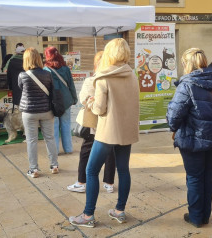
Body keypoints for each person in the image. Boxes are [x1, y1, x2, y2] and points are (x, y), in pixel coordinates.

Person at [68, 38, 140, 228]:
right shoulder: (132, 75)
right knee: (123, 170)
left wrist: (89, 101)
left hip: (108, 131)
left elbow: (99, 109)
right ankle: (119, 211)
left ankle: (88, 215)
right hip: (126, 130)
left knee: (91, 170)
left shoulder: (103, 76)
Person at [166, 48, 212, 228]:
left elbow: (173, 118)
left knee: (194, 177)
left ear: (187, 64)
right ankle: (205, 215)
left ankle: (195, 217)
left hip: (192, 138)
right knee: (207, 175)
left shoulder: (186, 84)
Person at [67, 51, 116, 194]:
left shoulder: (91, 80)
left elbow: (84, 99)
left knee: (86, 151)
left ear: (96, 65)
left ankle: (82, 182)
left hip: (93, 122)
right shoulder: (114, 80)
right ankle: (109, 183)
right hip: (110, 122)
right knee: (110, 151)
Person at [18, 47, 59, 178]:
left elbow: (21, 88)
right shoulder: (48, 74)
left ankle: (33, 169)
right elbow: (52, 89)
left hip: (29, 112)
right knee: (50, 138)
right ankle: (54, 165)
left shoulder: (22, 75)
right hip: (46, 110)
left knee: (31, 140)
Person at [44, 47, 78, 155]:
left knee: (54, 126)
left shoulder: (45, 70)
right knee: (66, 124)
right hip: (66, 100)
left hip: (52, 102)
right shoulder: (65, 69)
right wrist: (74, 98)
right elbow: (71, 85)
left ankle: (55, 150)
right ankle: (68, 149)